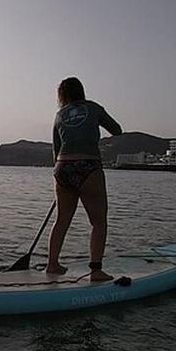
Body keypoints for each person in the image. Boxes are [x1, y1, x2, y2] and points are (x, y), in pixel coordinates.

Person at [46, 76, 122, 281]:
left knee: (61, 220)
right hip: (88, 166)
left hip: (62, 167)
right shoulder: (94, 108)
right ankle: (96, 271)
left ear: (62, 95)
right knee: (98, 222)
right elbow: (117, 130)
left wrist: (63, 181)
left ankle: (52, 265)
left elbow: (55, 152)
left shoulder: (59, 115)